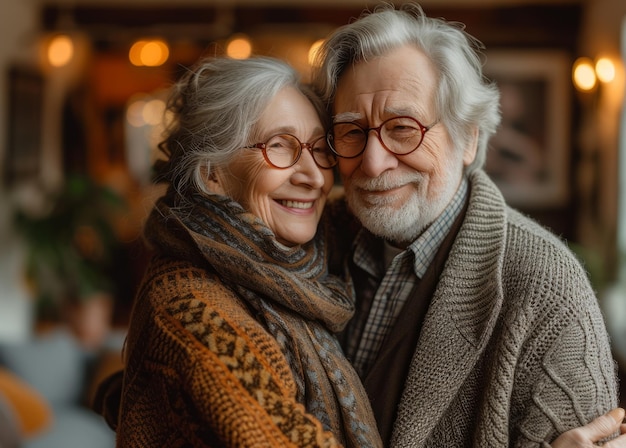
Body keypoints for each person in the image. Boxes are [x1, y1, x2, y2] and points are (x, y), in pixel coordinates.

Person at [311, 3, 623, 447]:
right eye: (353, 131)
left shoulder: (549, 294)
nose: (373, 162)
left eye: (403, 128)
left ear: (468, 137)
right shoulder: (309, 244)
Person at [95, 55, 382, 447]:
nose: (314, 177)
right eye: (280, 146)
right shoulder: (188, 309)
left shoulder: (291, 264)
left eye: (319, 149)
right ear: (211, 172)